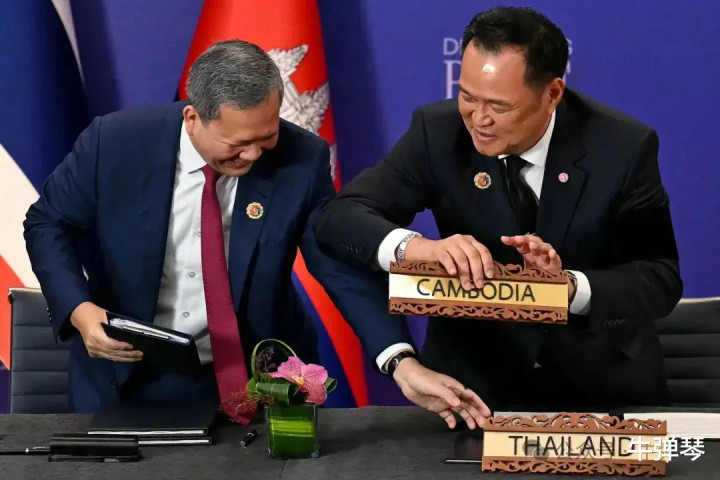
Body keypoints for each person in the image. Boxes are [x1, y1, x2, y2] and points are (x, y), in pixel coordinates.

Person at [24, 40, 490, 426]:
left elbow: (338, 266)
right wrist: (80, 309)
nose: (253, 157)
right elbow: (48, 223)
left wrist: (401, 362)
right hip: (126, 375)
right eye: (237, 144)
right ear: (193, 118)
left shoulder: (300, 159)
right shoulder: (115, 143)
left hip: (261, 382)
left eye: (266, 137)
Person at [315, 7, 682, 411]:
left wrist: (569, 288)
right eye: (467, 97)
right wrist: (418, 249)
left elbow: (660, 277)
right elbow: (341, 218)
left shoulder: (622, 148)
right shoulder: (438, 133)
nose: (478, 119)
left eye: (499, 106)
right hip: (472, 390)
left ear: (552, 94)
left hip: (600, 386)